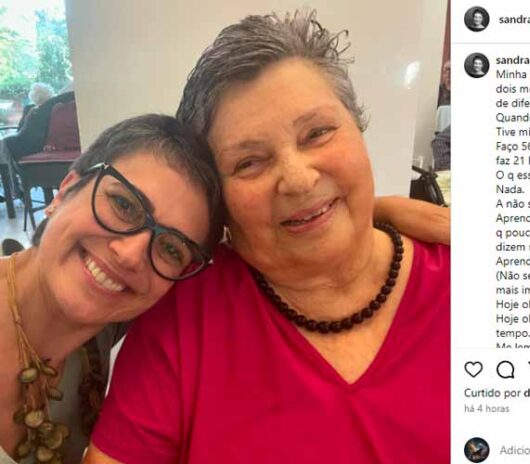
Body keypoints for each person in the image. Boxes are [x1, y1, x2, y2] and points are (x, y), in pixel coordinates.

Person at [87, 9, 450, 463]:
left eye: (317, 133)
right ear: (219, 204)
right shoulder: (184, 317)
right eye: (249, 163)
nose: (297, 179)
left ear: (358, 127)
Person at [0, 114, 223, 464]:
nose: (131, 255)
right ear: (65, 190)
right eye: (123, 205)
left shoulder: (110, 324)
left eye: (170, 248)